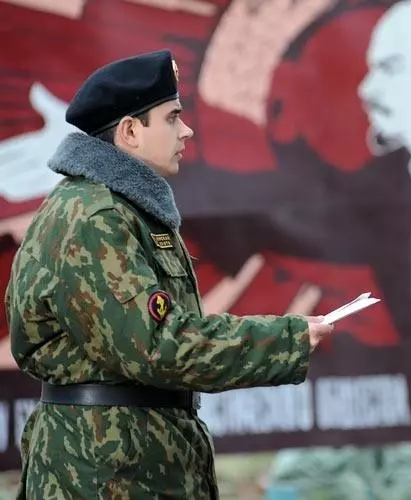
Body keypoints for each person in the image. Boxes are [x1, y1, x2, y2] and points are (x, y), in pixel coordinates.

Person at [5, 49, 334, 500]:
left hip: (130, 461)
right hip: (105, 473)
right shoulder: (95, 217)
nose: (187, 130)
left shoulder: (121, 208)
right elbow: (158, 347)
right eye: (172, 118)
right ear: (130, 131)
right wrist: (287, 339)